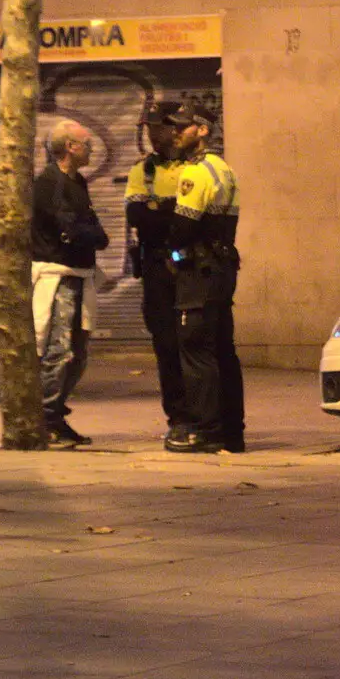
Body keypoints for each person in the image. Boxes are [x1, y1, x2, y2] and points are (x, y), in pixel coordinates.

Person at [163, 104, 245, 454]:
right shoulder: (224, 169)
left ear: (202, 131)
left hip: (199, 272)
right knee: (222, 350)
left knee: (196, 350)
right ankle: (231, 431)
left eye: (182, 127)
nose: (175, 133)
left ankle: (204, 430)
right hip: (222, 269)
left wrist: (171, 250)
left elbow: (183, 226)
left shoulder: (194, 173)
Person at [32, 120, 108, 447]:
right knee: (59, 349)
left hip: (80, 274)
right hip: (58, 276)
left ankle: (57, 412)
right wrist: (87, 235)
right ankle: (46, 419)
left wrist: (89, 235)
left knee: (79, 352)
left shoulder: (77, 182)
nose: (91, 149)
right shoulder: (50, 183)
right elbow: (72, 229)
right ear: (70, 147)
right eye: (86, 144)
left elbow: (91, 229)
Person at [126, 100, 190, 444]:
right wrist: (169, 209)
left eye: (157, 127)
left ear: (173, 128)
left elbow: (193, 217)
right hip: (156, 269)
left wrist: (158, 209)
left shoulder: (193, 168)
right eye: (147, 128)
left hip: (189, 267)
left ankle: (204, 413)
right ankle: (178, 416)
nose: (151, 135)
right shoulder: (143, 171)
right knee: (166, 345)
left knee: (194, 344)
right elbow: (137, 218)